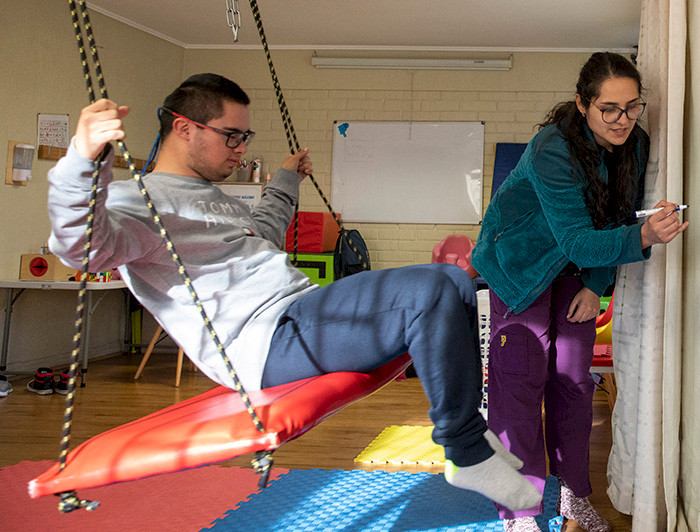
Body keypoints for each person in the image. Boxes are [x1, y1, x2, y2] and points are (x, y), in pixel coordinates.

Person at [47, 73, 541, 512]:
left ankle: (470, 438)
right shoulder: (139, 201)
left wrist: (286, 176)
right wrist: (82, 159)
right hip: (264, 343)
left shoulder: (214, 198)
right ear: (184, 128)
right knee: (433, 288)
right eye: (231, 136)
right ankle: (467, 451)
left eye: (245, 136)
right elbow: (82, 249)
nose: (240, 148)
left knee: (457, 283)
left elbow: (262, 230)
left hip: (297, 313)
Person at [471, 52, 689, 532]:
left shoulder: (635, 143)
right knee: (520, 387)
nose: (622, 120)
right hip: (520, 266)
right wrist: (647, 237)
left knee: (572, 384)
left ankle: (573, 499)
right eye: (609, 108)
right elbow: (578, 237)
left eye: (632, 107)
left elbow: (615, 216)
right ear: (582, 104)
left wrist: (594, 285)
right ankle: (520, 512)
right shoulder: (553, 147)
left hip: (577, 265)